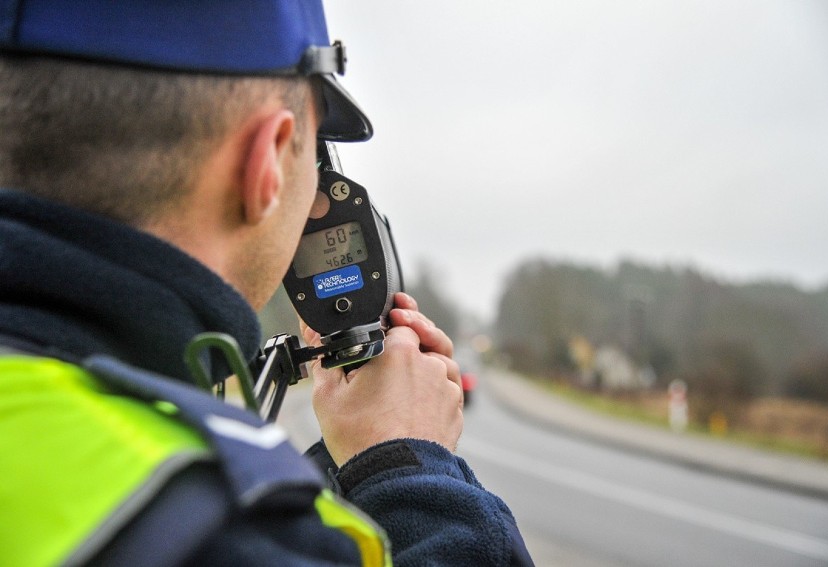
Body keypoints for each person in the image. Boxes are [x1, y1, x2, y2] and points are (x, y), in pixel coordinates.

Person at [0, 1, 534, 566]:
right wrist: (406, 467)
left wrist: (340, 463)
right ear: (268, 163)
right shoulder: (217, 536)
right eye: (316, 153)